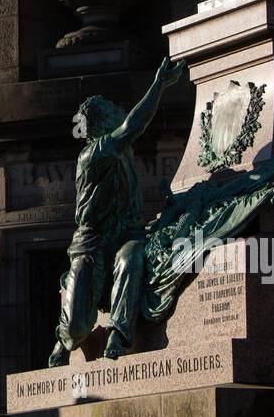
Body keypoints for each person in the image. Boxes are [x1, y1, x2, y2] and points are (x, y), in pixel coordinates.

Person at [49, 56, 186, 366]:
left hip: (125, 236)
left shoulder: (123, 154)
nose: (118, 109)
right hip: (93, 245)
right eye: (112, 108)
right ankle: (63, 338)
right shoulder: (94, 153)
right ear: (101, 124)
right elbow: (132, 126)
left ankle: (119, 334)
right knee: (76, 328)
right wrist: (159, 84)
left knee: (131, 256)